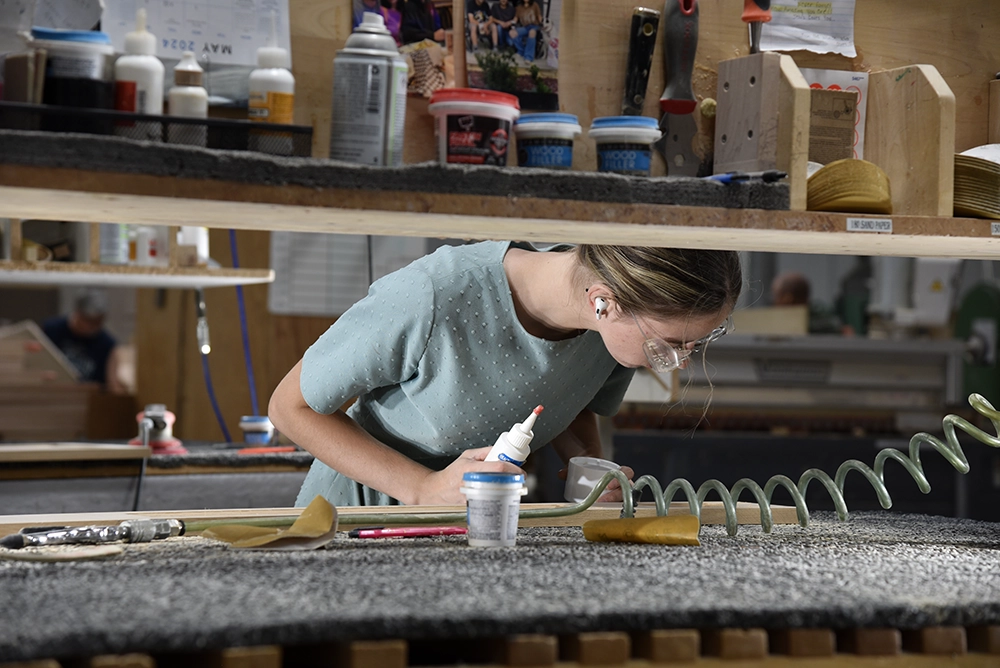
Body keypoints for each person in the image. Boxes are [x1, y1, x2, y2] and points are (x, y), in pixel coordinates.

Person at [269, 241, 741, 508]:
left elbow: (569, 399)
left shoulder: (611, 340)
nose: (679, 360)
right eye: (671, 345)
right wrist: (421, 489)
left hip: (474, 536)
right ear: (604, 301)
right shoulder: (436, 296)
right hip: (352, 528)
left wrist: (589, 467)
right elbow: (290, 407)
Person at [42, 289, 125, 393]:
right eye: (89, 320)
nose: (93, 326)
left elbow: (112, 384)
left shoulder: (107, 344)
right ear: (78, 313)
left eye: (98, 321)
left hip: (86, 400)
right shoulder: (52, 329)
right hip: (53, 392)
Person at [770, 270, 841, 334]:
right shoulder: (777, 320)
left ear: (788, 298)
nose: (774, 301)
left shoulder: (821, 317)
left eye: (777, 295)